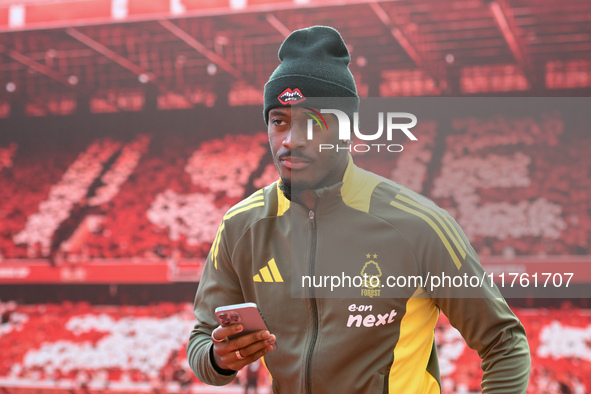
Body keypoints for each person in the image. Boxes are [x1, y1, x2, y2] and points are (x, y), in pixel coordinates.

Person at [187, 26, 531, 393]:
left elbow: (504, 342)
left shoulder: (417, 225)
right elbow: (201, 340)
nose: (290, 140)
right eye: (279, 121)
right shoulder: (242, 225)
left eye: (312, 122)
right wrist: (219, 358)